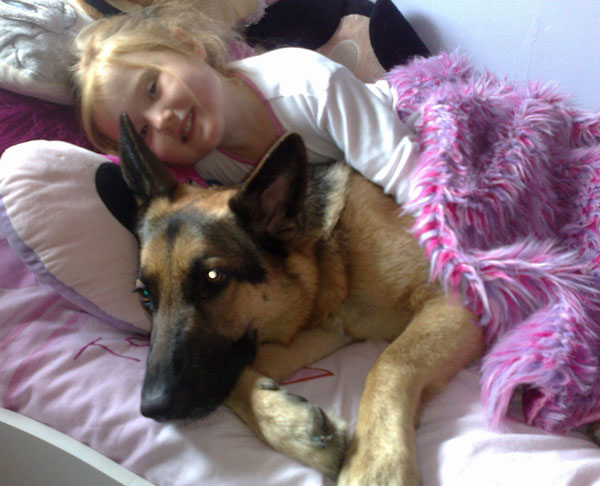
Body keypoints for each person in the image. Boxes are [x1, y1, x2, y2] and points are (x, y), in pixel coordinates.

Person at [71, 1, 420, 205]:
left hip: (405, 140)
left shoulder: (305, 82)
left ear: (188, 45)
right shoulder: (208, 173)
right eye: (142, 131)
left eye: (152, 89)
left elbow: (406, 177)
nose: (161, 121)